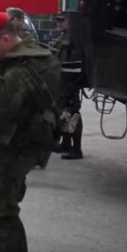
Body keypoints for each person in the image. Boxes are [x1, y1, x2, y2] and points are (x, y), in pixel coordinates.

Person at [0, 11, 61, 252]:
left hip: (7, 151)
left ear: (6, 39)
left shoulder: (17, 73)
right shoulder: (37, 55)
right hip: (22, 146)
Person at [49, 12, 84, 160]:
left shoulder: (73, 38)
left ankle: (76, 149)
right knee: (63, 113)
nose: (59, 23)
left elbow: (75, 60)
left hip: (71, 81)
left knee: (72, 114)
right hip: (63, 80)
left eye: (62, 21)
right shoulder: (64, 36)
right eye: (58, 21)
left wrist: (73, 83)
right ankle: (66, 143)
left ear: (69, 22)